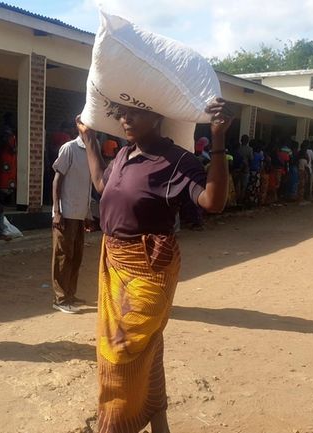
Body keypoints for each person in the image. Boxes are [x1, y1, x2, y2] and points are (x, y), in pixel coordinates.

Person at [79, 97, 233, 433]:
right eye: (122, 112)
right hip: (115, 262)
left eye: (134, 111)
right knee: (147, 347)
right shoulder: (124, 153)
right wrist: (90, 141)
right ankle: (158, 420)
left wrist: (218, 139)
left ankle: (114, 426)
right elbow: (104, 186)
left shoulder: (177, 161)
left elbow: (213, 202)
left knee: (120, 352)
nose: (125, 118)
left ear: (157, 113)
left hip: (149, 268)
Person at [51, 134, 93, 314]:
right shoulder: (69, 148)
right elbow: (57, 181)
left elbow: (88, 184)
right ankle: (60, 299)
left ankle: (70, 294)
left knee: (76, 256)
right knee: (62, 256)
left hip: (79, 213)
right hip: (66, 213)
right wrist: (57, 212)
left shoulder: (92, 150)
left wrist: (88, 213)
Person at [0, 112, 18, 205]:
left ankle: (9, 200)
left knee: (11, 178)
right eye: (11, 119)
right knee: (4, 178)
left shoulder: (12, 130)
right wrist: (12, 148)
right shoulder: (5, 130)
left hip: (11, 158)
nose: (13, 121)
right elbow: (4, 141)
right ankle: (2, 200)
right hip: (6, 156)